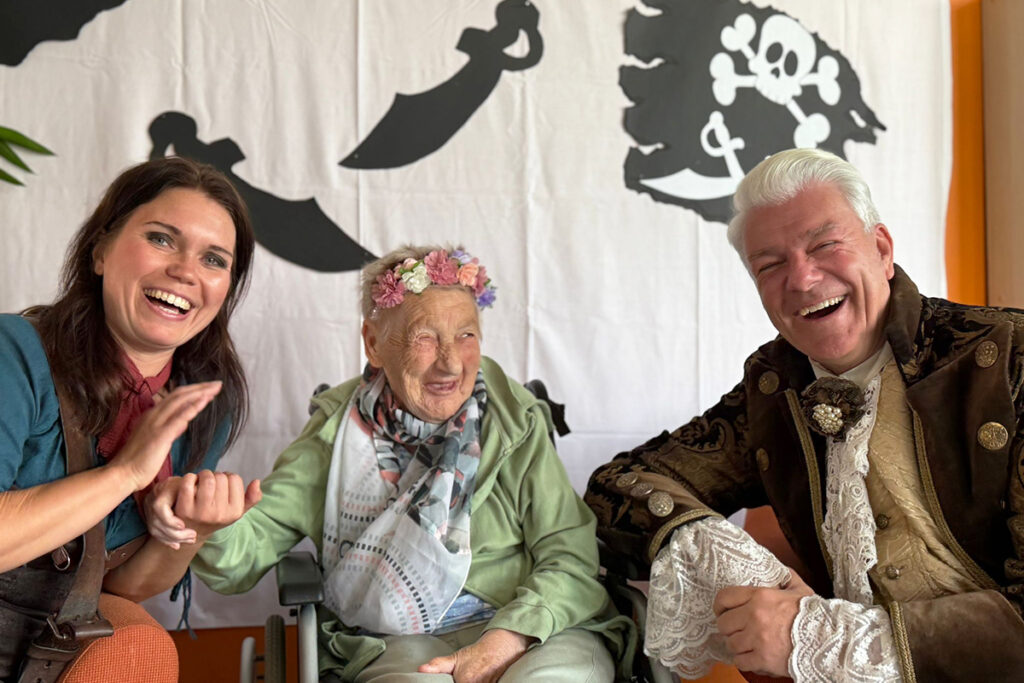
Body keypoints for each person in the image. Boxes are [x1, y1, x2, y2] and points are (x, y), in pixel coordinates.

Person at [585, 148, 1024, 682]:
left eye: (825, 245)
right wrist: (722, 554)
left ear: (882, 249)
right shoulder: (776, 386)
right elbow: (622, 482)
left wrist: (817, 635)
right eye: (769, 265)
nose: (802, 278)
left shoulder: (1008, 357)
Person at [150, 245, 634, 682]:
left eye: (465, 335)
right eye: (425, 337)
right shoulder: (335, 434)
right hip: (394, 639)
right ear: (374, 343)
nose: (450, 363)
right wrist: (207, 524)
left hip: (529, 623)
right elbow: (248, 549)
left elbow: (569, 555)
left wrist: (509, 637)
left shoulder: (514, 420)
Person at [0, 156, 260, 681]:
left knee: (139, 647)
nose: (186, 271)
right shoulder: (15, 353)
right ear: (99, 250)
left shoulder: (205, 400)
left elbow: (122, 589)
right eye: (162, 239)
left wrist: (190, 531)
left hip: (47, 637)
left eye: (214, 259)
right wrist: (127, 473)